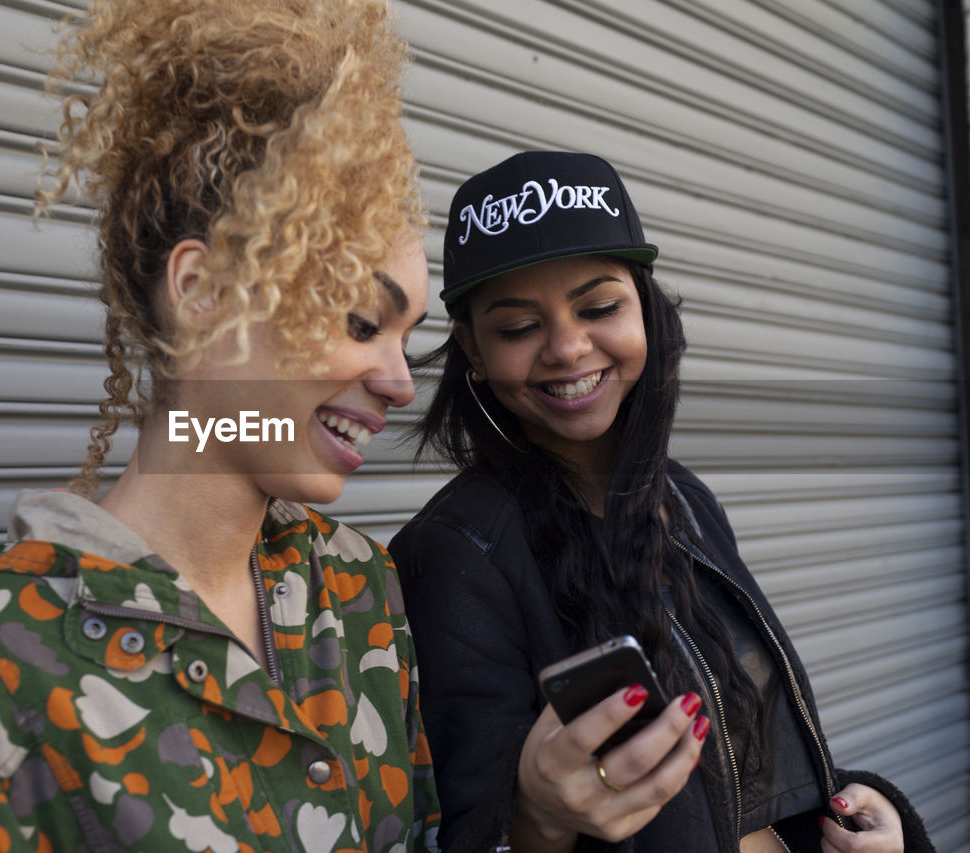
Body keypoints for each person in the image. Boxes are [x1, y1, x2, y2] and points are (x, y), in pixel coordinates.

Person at [0, 1, 441, 849]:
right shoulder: (1, 660)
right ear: (199, 293)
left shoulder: (357, 590)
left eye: (412, 336)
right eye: (360, 321)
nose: (401, 381)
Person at [389, 150, 932, 853]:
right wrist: (539, 814)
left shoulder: (686, 497)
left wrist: (868, 814)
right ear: (471, 348)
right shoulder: (456, 551)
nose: (567, 346)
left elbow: (734, 779)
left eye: (598, 306)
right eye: (519, 327)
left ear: (645, 306)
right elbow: (470, 831)